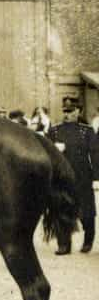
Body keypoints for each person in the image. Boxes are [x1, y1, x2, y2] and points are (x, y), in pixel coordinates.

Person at [50, 104, 96, 254]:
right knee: (61, 209)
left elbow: (95, 155)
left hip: (82, 176)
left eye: (70, 111)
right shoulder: (55, 130)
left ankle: (88, 241)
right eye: (65, 111)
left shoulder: (86, 131)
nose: (67, 114)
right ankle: (64, 244)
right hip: (61, 176)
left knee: (87, 210)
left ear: (78, 111)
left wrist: (96, 176)